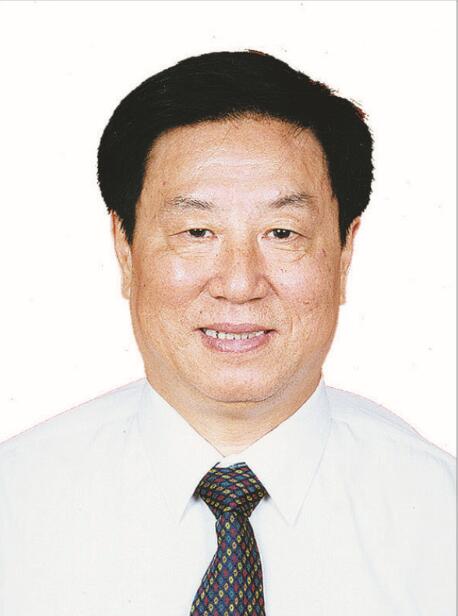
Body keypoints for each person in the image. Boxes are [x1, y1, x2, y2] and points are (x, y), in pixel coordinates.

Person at [0, 50, 454, 616]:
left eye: (282, 232)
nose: (239, 284)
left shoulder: (440, 519)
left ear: (344, 253)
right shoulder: (15, 506)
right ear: (125, 249)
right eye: (197, 231)